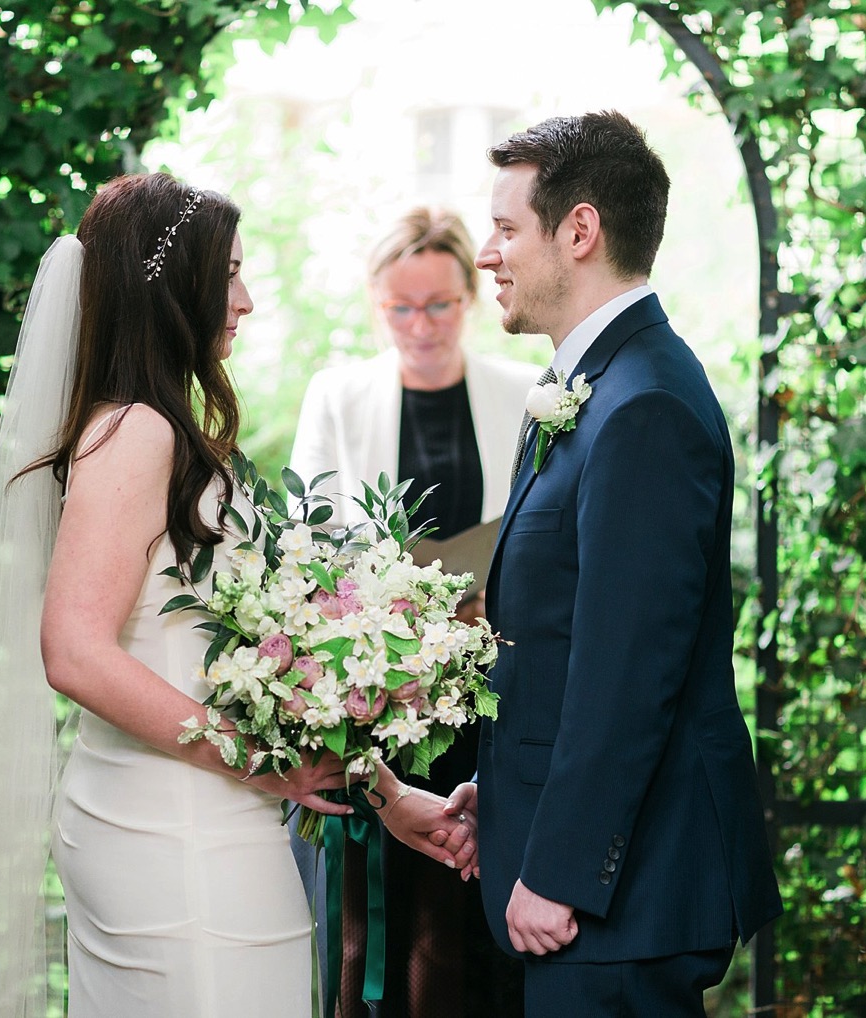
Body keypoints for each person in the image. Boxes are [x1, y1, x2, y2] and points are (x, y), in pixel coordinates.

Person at [0, 172, 476, 1018]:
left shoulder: (156, 425)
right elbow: (74, 650)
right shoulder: (137, 430)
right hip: (168, 830)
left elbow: (240, 671)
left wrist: (386, 796)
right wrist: (259, 764)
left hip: (195, 812)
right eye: (228, 273)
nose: (245, 298)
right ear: (176, 286)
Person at [443, 112, 784, 1017]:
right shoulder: (594, 387)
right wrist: (509, 792)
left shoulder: (644, 407)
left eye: (507, 227)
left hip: (625, 895)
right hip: (597, 877)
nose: (486, 254)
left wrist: (560, 867)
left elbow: (629, 671)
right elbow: (557, 638)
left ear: (580, 231)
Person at [289, 208, 539, 1018]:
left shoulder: (526, 394)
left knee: (478, 928)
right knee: (390, 934)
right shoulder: (338, 395)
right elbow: (309, 549)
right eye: (401, 307)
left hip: (491, 695)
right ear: (376, 304)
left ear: (470, 296)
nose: (421, 325)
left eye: (439, 305)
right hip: (382, 700)